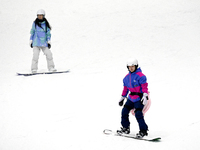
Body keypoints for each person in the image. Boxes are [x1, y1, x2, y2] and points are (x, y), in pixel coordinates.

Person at [117, 58, 149, 138]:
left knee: (138, 113)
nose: (131, 68)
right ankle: (125, 128)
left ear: (136, 66)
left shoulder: (141, 76)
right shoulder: (126, 78)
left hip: (139, 97)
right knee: (124, 111)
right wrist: (122, 98)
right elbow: (125, 89)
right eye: (129, 66)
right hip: (131, 98)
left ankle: (143, 131)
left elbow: (145, 87)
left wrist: (145, 96)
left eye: (133, 66)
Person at [29, 9, 56, 73]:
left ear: (43, 16)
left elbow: (48, 34)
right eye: (38, 15)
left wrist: (49, 41)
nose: (39, 17)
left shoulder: (46, 24)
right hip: (36, 42)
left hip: (44, 43)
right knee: (35, 56)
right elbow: (32, 32)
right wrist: (31, 40)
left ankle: (51, 67)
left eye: (41, 15)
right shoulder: (35, 23)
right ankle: (34, 68)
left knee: (49, 54)